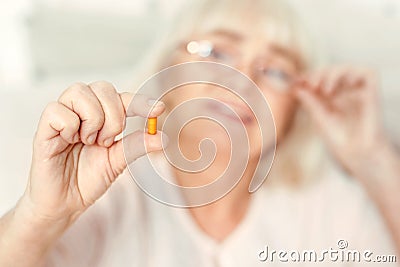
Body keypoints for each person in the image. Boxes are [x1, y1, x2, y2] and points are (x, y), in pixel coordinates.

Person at [1, 0, 399, 266]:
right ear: (166, 69)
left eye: (276, 69)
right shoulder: (109, 194)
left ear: (297, 109)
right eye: (218, 53)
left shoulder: (327, 206)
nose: (242, 80)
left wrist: (373, 159)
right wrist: (42, 216)